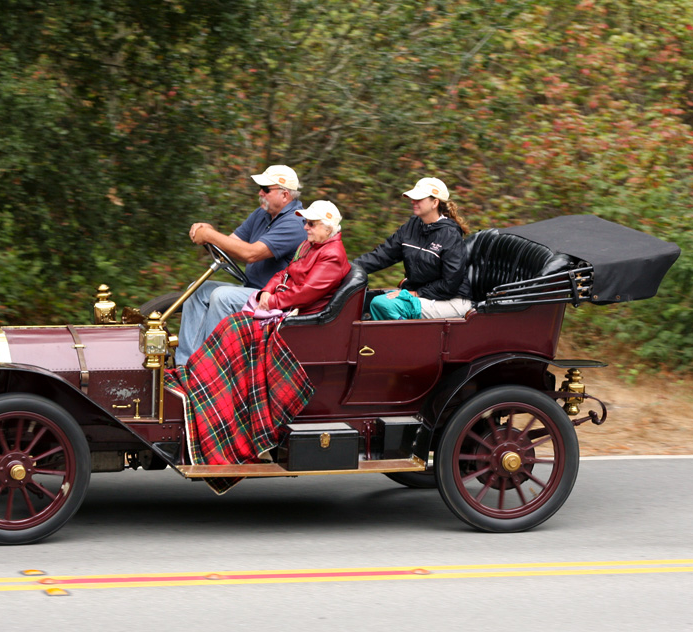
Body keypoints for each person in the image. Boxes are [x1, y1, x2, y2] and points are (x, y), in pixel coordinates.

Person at [166, 200, 350, 482]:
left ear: (327, 226)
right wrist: (268, 290)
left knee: (229, 317)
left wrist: (273, 300)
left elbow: (307, 293)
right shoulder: (308, 246)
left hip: (296, 318)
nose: (305, 227)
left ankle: (209, 373)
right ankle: (189, 366)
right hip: (280, 306)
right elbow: (284, 273)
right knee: (204, 295)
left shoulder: (332, 255)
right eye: (305, 222)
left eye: (311, 224)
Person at [175, 165, 307, 365]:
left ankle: (211, 369)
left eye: (266, 189)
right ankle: (184, 365)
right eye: (260, 188)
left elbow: (250, 254)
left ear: (285, 195)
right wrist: (208, 230)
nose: (260, 193)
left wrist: (210, 235)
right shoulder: (261, 214)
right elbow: (230, 244)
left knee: (222, 297)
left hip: (275, 301)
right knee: (197, 289)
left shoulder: (296, 222)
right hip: (253, 290)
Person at [354, 177, 473, 320]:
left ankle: (403, 341)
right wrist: (347, 269)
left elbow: (451, 283)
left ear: (435, 202)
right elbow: (383, 255)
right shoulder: (412, 226)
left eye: (419, 198)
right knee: (363, 301)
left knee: (383, 304)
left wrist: (416, 293)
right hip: (423, 294)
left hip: (451, 299)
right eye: (413, 198)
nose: (413, 202)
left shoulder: (450, 235)